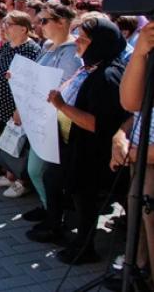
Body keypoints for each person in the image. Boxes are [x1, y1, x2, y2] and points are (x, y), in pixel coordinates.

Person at [46, 17, 129, 264]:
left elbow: (97, 124)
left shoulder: (108, 76)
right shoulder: (92, 66)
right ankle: (81, 242)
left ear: (100, 43)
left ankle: (85, 249)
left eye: (83, 40)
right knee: (81, 199)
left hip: (94, 154)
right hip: (80, 148)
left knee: (88, 201)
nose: (77, 44)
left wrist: (61, 106)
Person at [22, 4, 83, 239]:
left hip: (57, 121)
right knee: (39, 170)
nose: (39, 25)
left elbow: (67, 88)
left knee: (39, 170)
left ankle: (55, 216)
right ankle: (49, 208)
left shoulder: (72, 53)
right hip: (40, 116)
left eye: (44, 21)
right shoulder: (47, 47)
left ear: (61, 22)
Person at [113, 20, 154, 281]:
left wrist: (139, 154)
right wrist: (120, 135)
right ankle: (138, 272)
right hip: (140, 161)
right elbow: (131, 103)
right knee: (141, 228)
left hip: (144, 158)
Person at [0, 10, 41, 197]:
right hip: (0, 101)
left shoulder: (32, 50)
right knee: (5, 140)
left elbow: (33, 83)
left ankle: (22, 181)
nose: (4, 28)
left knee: (20, 144)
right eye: (4, 24)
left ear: (24, 29)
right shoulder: (5, 46)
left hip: (17, 106)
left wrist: (20, 109)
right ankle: (9, 175)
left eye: (9, 24)